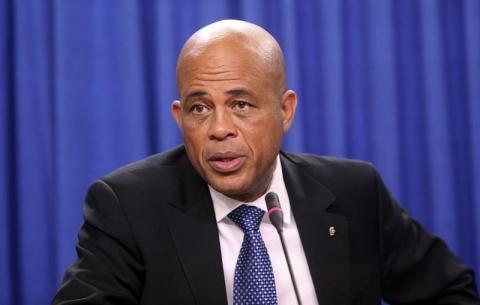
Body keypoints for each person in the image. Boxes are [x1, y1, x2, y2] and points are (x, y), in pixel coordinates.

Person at [52, 19, 479, 305]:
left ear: (285, 110)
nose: (220, 128)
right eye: (201, 109)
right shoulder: (128, 206)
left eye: (241, 104)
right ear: (180, 118)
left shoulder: (354, 191)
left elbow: (451, 291)